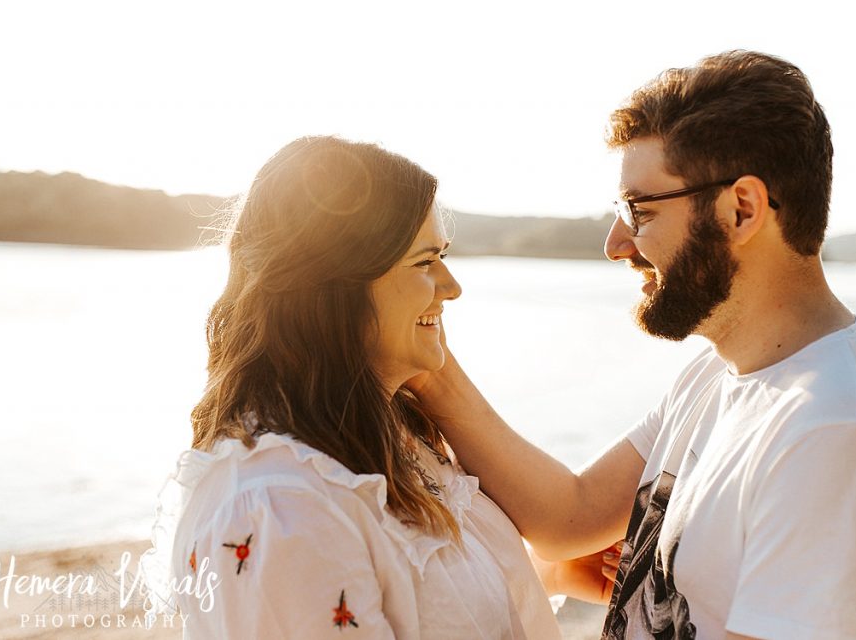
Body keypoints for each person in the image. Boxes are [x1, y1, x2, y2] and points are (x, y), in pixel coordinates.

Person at [408, 51, 856, 640]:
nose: (615, 244)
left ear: (740, 210)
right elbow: (572, 514)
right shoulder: (717, 376)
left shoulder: (844, 432)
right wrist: (424, 361)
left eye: (638, 210)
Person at [140, 136, 568, 638]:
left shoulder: (395, 439)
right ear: (336, 286)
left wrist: (547, 572)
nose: (452, 287)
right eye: (424, 261)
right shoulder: (279, 506)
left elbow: (418, 599)